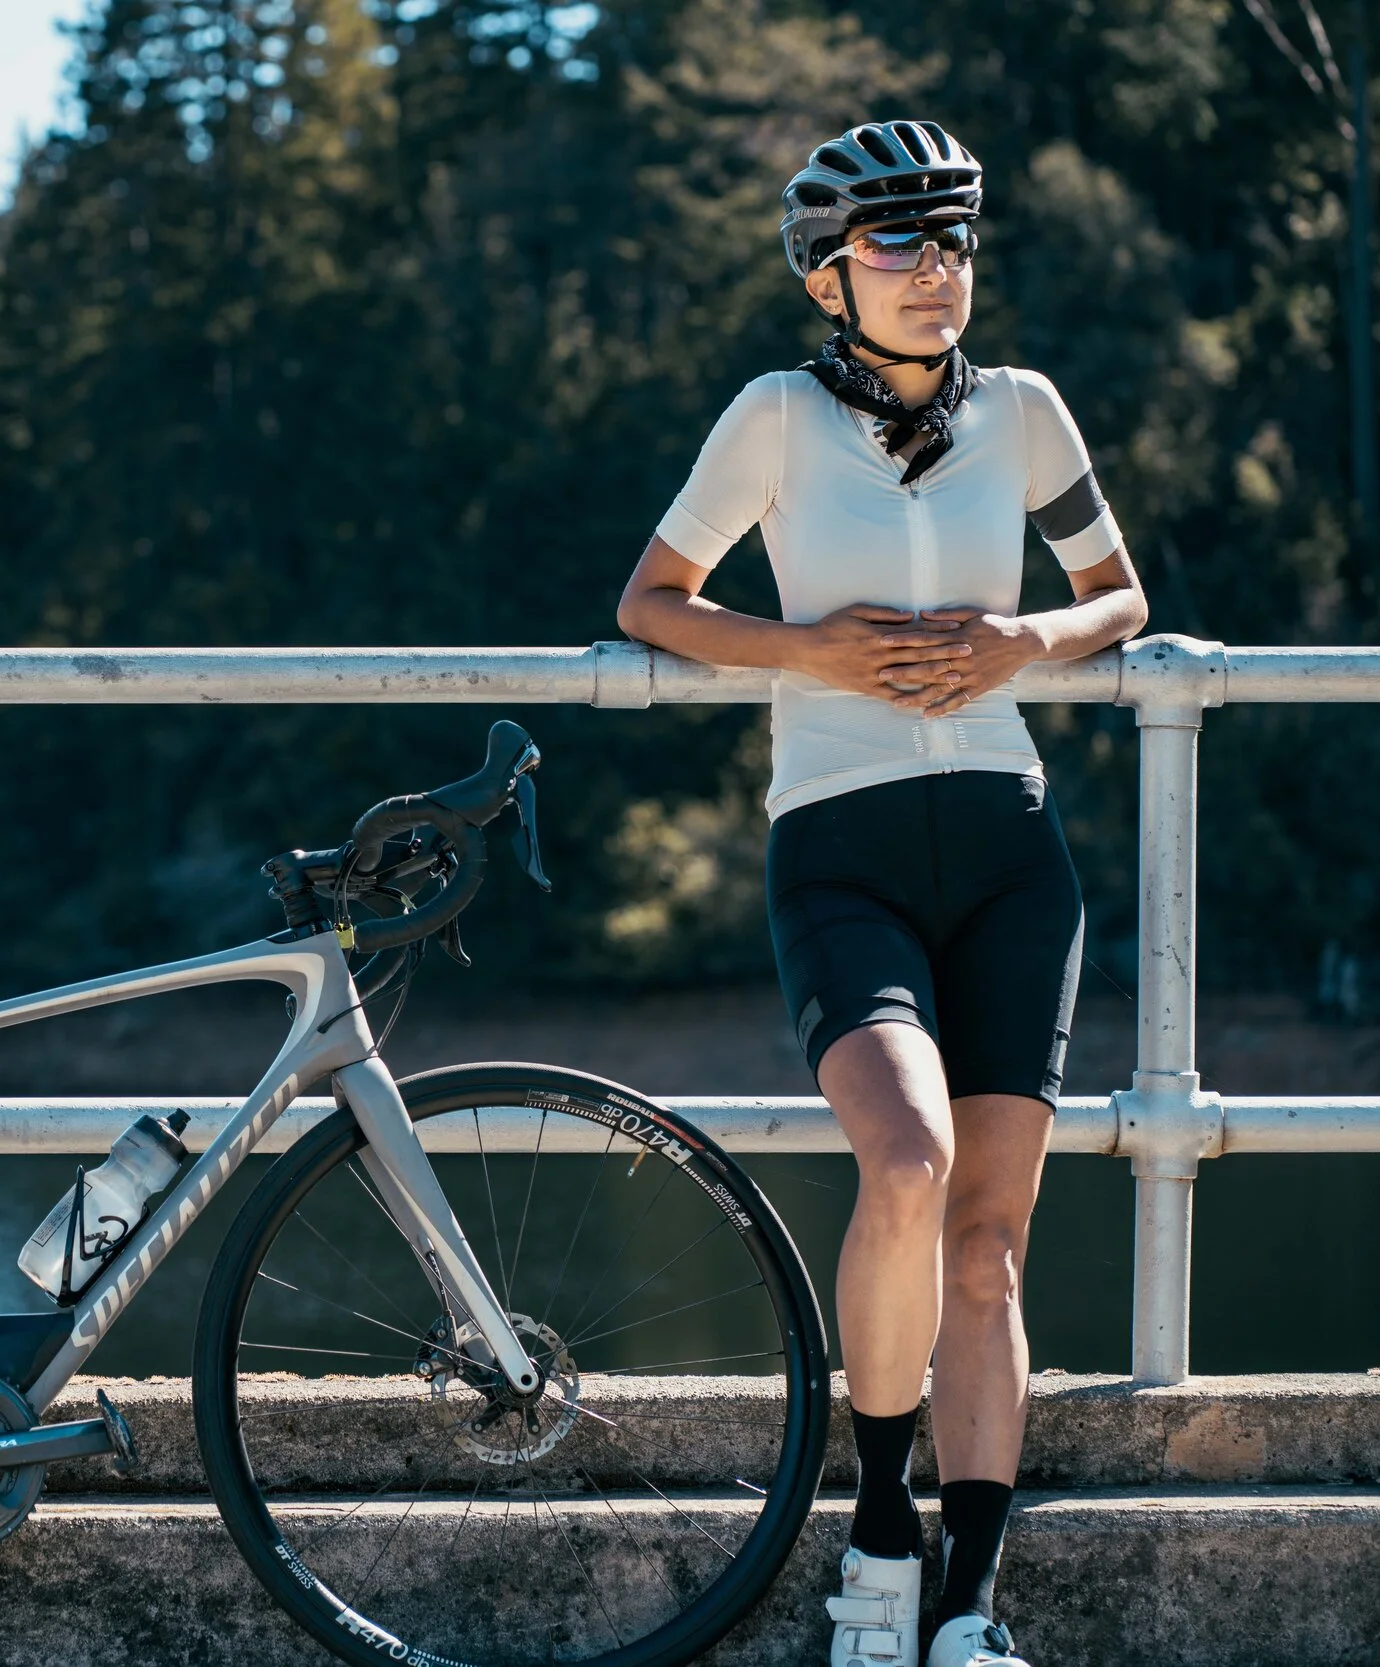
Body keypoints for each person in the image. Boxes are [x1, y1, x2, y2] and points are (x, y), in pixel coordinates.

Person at [614, 120, 1149, 1667]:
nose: (936, 271)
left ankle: (970, 1609)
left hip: (1009, 852)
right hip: (839, 846)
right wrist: (809, 651)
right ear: (828, 274)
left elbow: (1119, 595)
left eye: (954, 241)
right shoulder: (775, 417)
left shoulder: (1025, 411)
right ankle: (879, 1527)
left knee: (988, 1244)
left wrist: (1026, 641)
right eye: (900, 244)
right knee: (906, 1159)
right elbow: (654, 602)